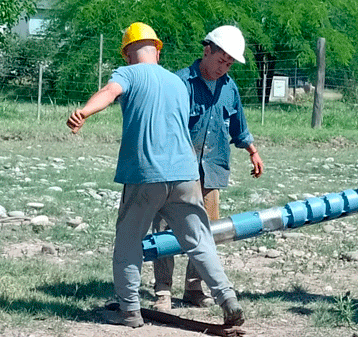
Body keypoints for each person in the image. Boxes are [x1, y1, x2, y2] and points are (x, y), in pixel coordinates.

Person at [66, 22, 244, 328]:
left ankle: (130, 311)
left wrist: (84, 111)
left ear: (128, 55)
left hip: (146, 174)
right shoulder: (176, 83)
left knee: (129, 242)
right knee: (200, 240)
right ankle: (228, 299)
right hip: (186, 174)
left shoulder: (129, 73)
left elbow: (110, 92)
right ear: (157, 52)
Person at [151, 25, 264, 311]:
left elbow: (239, 127)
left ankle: (193, 288)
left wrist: (252, 151)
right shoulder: (179, 83)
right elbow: (161, 128)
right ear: (206, 51)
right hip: (175, 173)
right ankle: (163, 290)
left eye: (229, 63)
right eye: (220, 60)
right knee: (166, 229)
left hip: (212, 172)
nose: (223, 68)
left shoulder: (230, 88)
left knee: (206, 232)